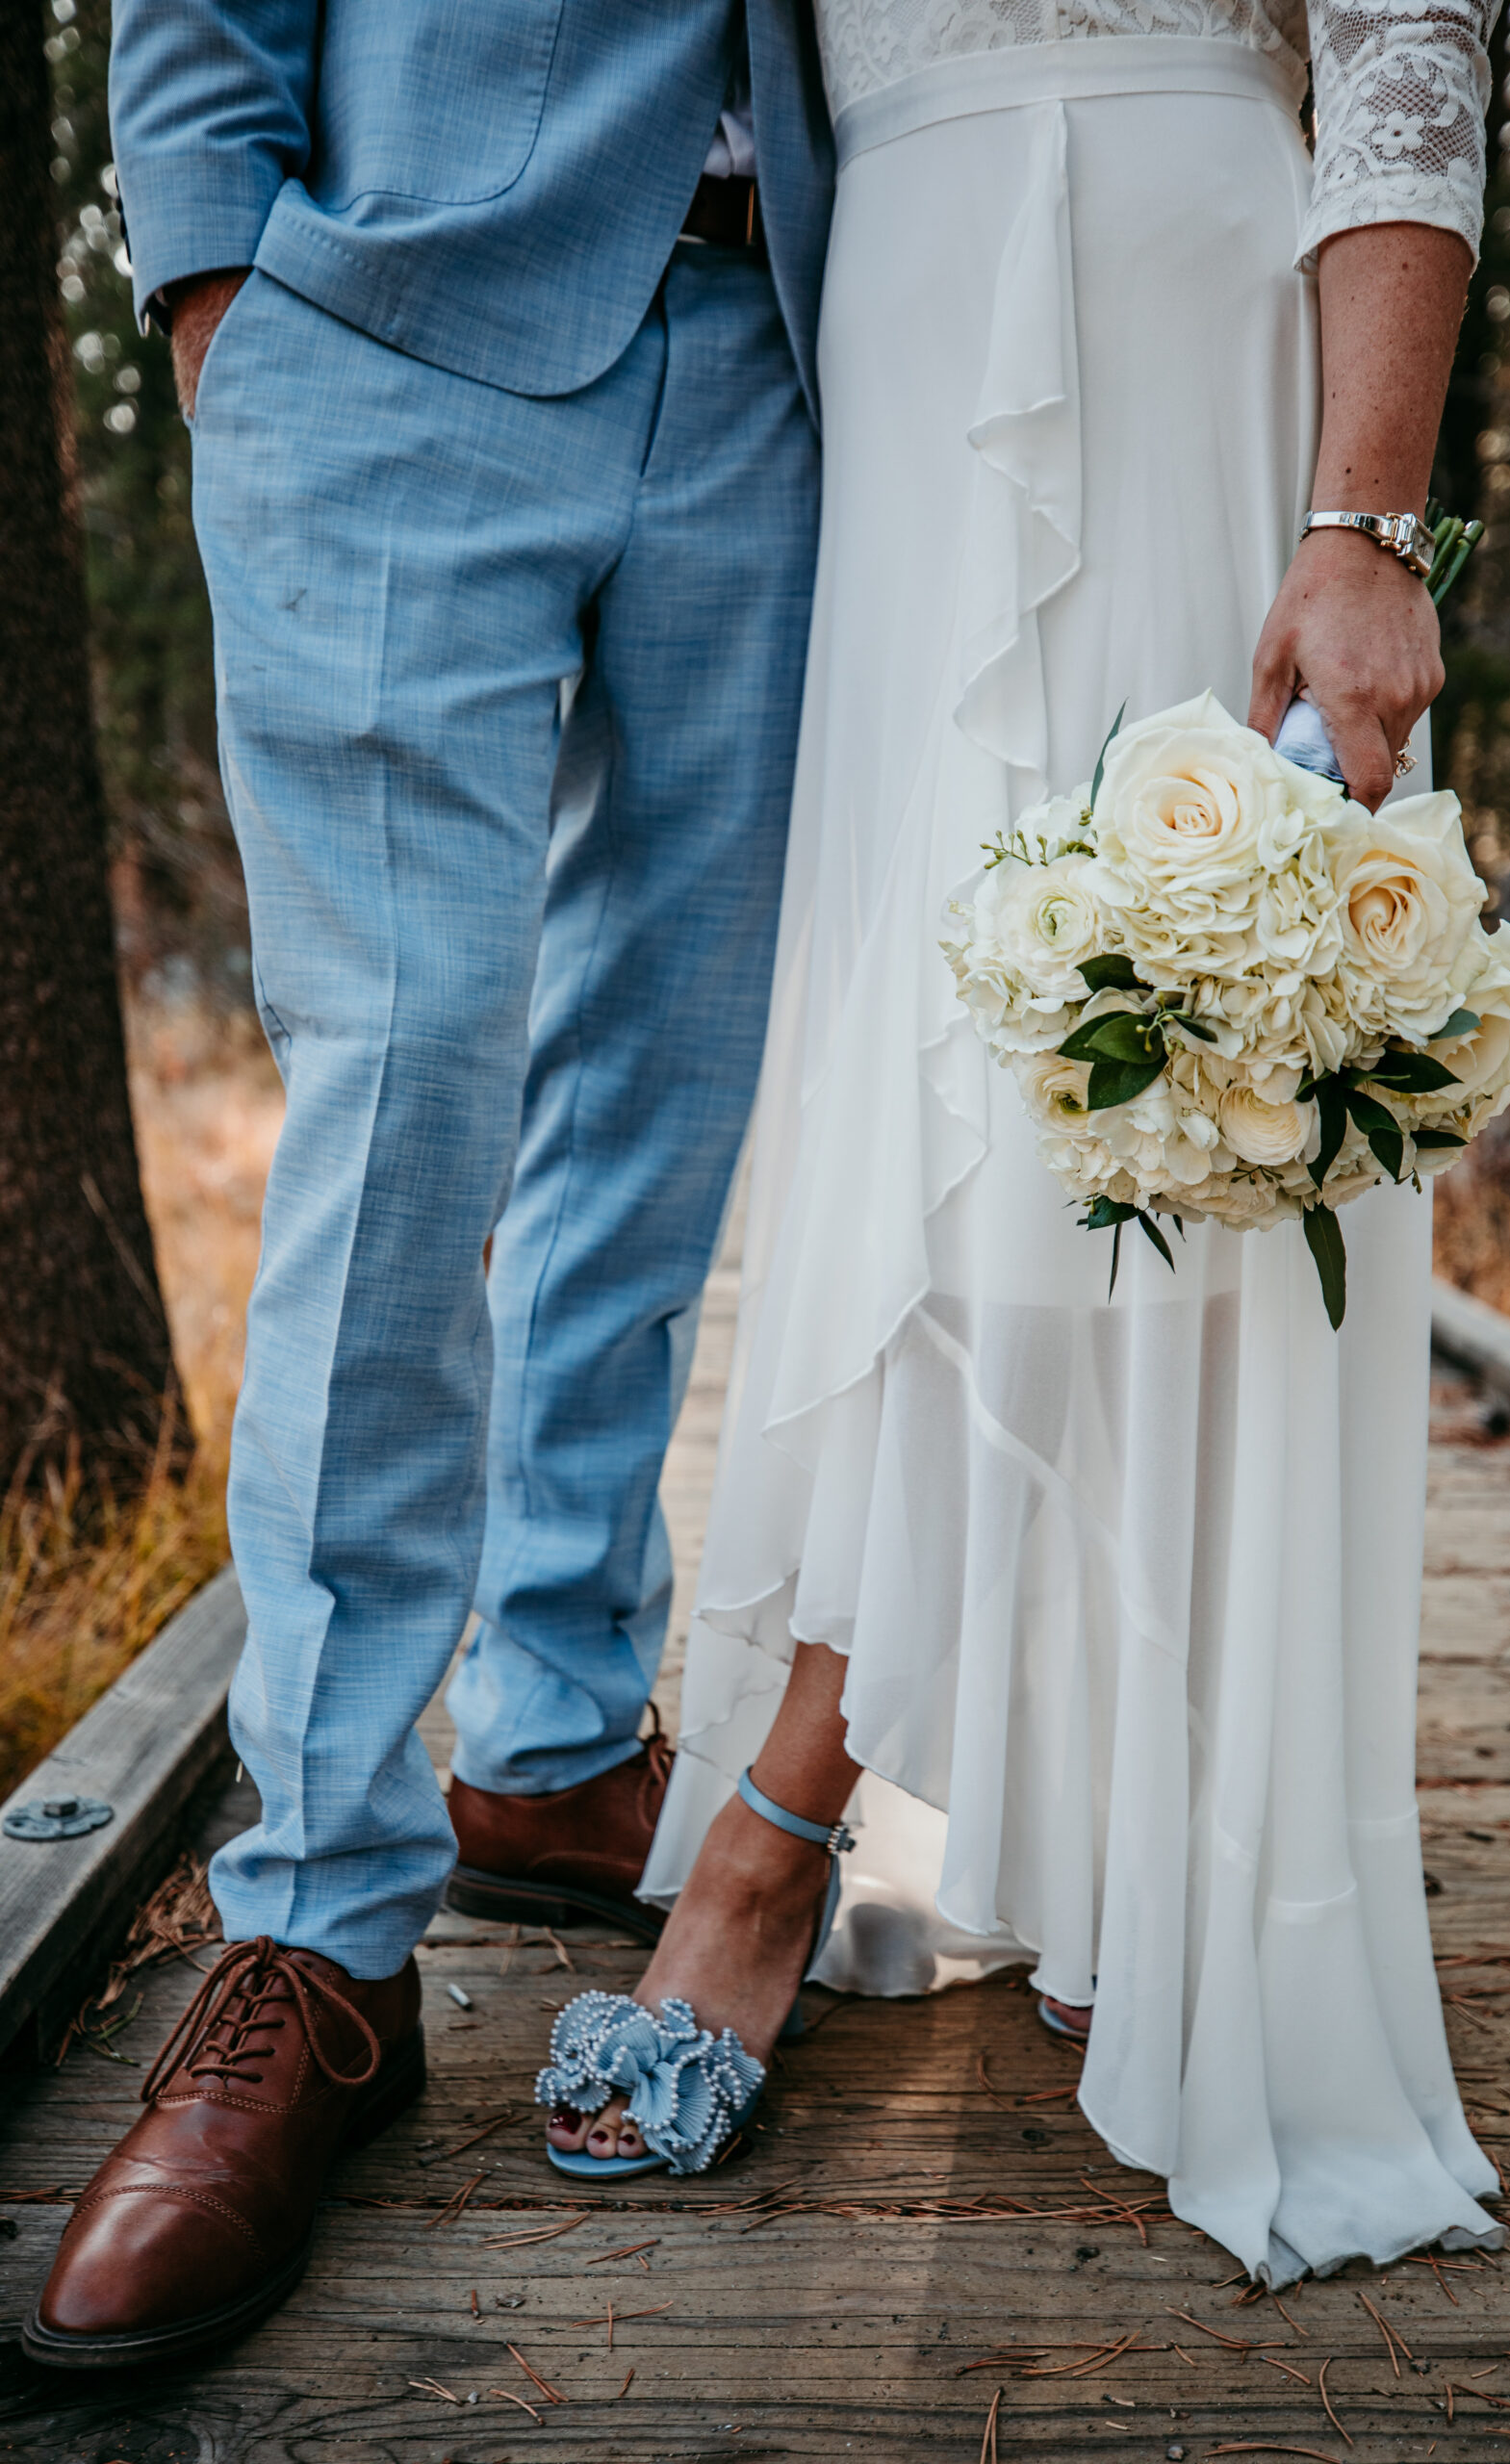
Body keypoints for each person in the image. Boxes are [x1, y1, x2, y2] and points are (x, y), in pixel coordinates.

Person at [537, 0, 1509, 2287]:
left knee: (1133, 1072)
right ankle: (1086, 1831)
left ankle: (785, 1833)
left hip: (1176, 302)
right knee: (931, 1061)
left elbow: (1401, 39)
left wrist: (1361, 516)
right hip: (891, 312)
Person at [26, 0, 832, 2372]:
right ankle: (315, 1927)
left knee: (663, 1095)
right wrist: (218, 302)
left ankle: (559, 1731)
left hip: (792, 360)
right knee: (404, 1103)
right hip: (392, 337)